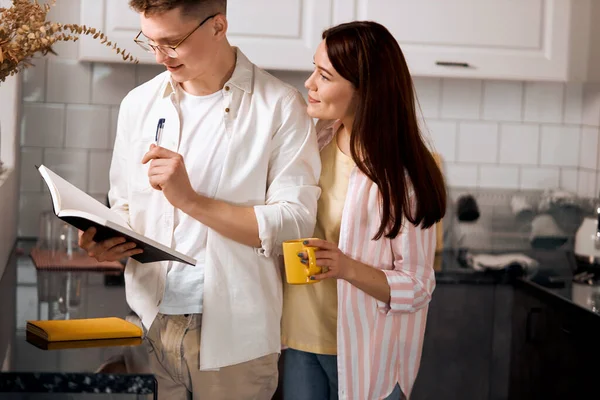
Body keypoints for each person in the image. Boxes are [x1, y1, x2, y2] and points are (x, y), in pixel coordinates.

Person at [78, 0, 321, 398]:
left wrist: (190, 200)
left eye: (172, 42)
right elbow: (124, 204)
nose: (160, 57)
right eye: (150, 41)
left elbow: (294, 224)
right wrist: (106, 238)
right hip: (149, 327)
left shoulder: (280, 107)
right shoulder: (138, 105)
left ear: (218, 26)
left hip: (236, 338)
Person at [281, 21, 447, 400]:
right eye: (314, 69)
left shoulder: (403, 176)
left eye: (324, 76)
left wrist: (345, 267)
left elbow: (419, 286)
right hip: (300, 339)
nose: (310, 83)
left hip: (366, 353)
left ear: (364, 89)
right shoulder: (314, 140)